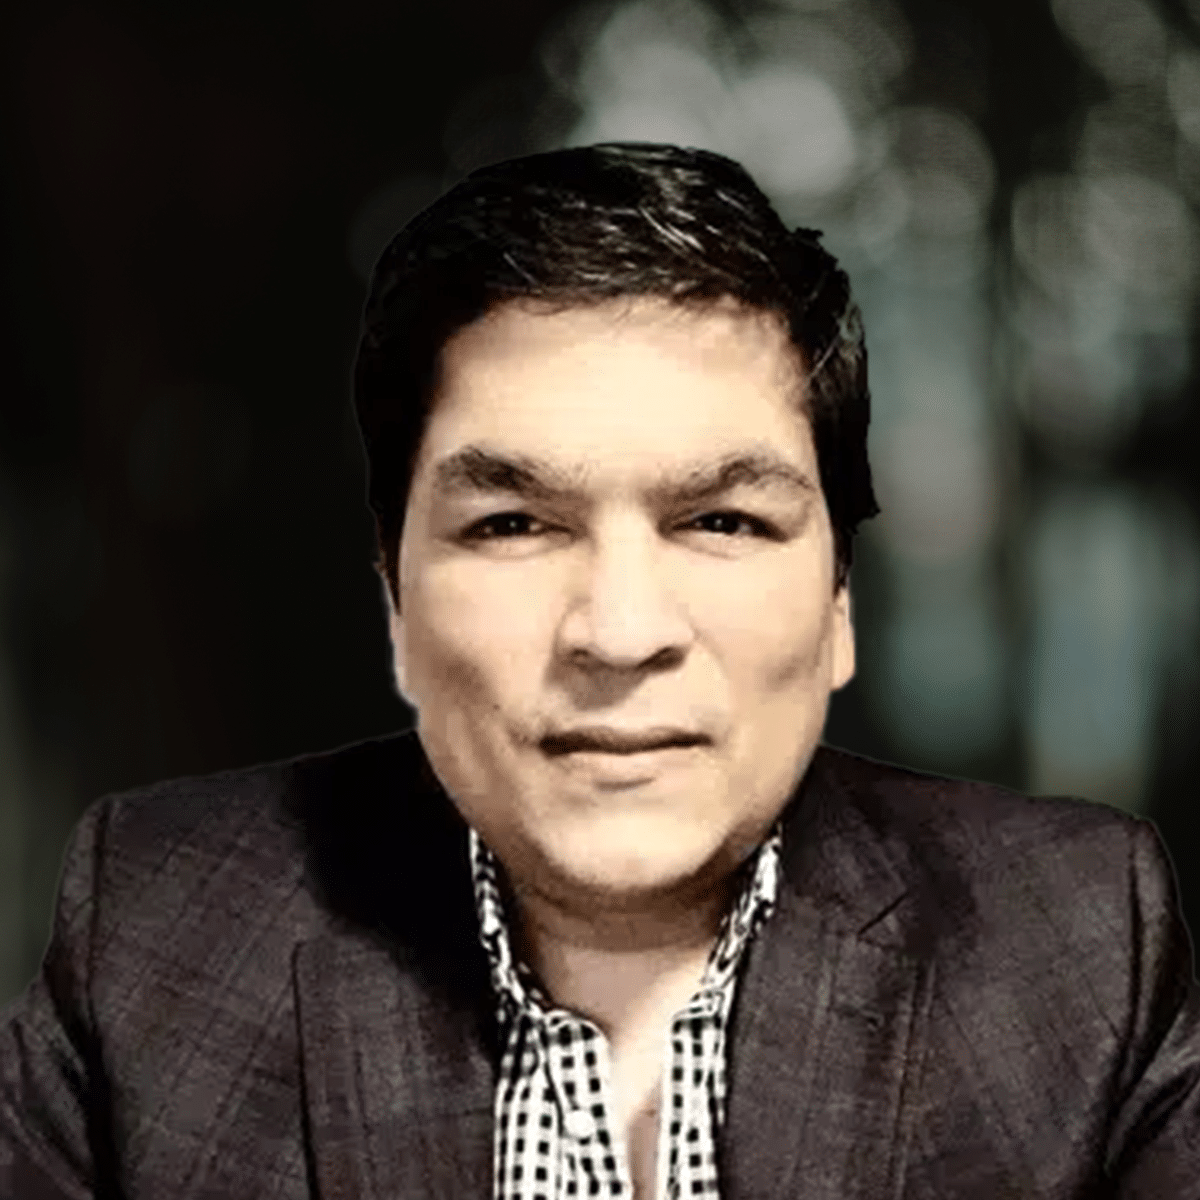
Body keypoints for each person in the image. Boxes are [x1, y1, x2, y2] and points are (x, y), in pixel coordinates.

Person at [1, 143, 1197, 1200]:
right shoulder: (162, 935)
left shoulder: (1074, 947)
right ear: (395, 599)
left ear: (840, 599)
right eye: (513, 524)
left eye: (723, 521)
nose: (620, 634)